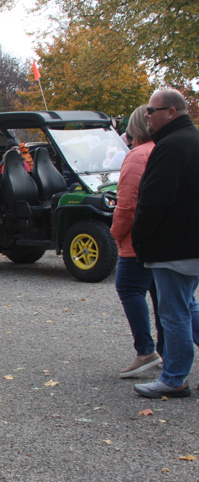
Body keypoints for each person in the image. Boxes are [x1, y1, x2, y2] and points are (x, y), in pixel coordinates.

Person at [131, 88, 199, 398]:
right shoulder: (192, 140)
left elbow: (154, 199)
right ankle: (175, 375)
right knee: (187, 306)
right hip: (189, 243)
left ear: (170, 112)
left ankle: (174, 379)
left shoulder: (170, 146)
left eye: (152, 110)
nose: (147, 115)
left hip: (174, 246)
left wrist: (141, 237)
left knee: (173, 313)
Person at [110, 105, 163, 378]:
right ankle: (165, 350)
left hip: (137, 241)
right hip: (167, 239)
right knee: (168, 299)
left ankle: (145, 350)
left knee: (129, 288)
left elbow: (127, 205)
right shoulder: (165, 151)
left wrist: (116, 233)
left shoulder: (136, 157)